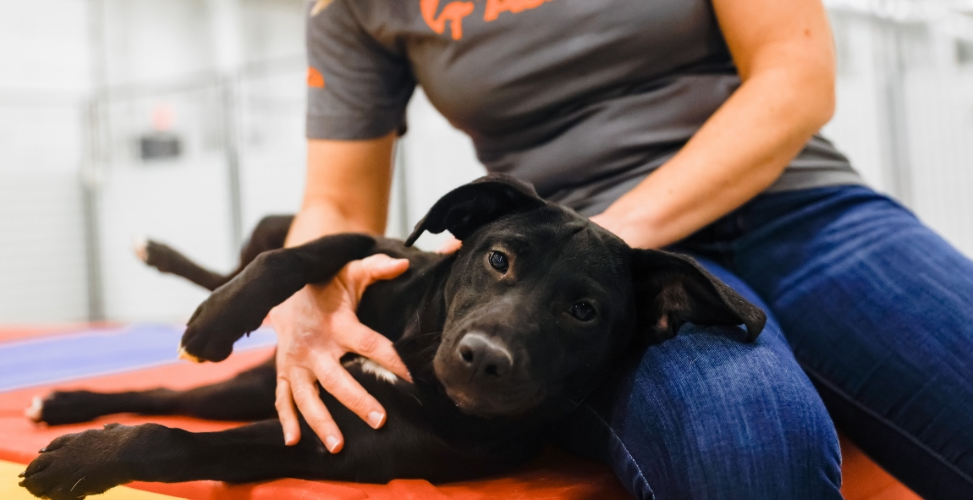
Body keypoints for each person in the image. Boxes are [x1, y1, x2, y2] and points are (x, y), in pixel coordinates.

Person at [264, 0, 973, 498]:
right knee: (753, 452)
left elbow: (796, 74)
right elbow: (340, 201)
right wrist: (298, 288)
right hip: (593, 283)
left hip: (798, 204)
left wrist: (605, 241)